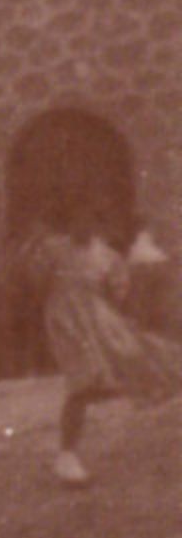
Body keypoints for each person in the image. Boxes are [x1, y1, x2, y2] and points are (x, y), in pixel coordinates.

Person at [33, 207, 182, 486]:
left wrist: (117, 314)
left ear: (98, 225)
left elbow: (118, 292)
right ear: (71, 223)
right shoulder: (55, 249)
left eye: (90, 221)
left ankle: (68, 453)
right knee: (82, 379)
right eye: (78, 220)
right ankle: (67, 456)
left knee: (132, 359)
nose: (83, 226)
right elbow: (37, 285)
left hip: (97, 319)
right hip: (64, 320)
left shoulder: (107, 256)